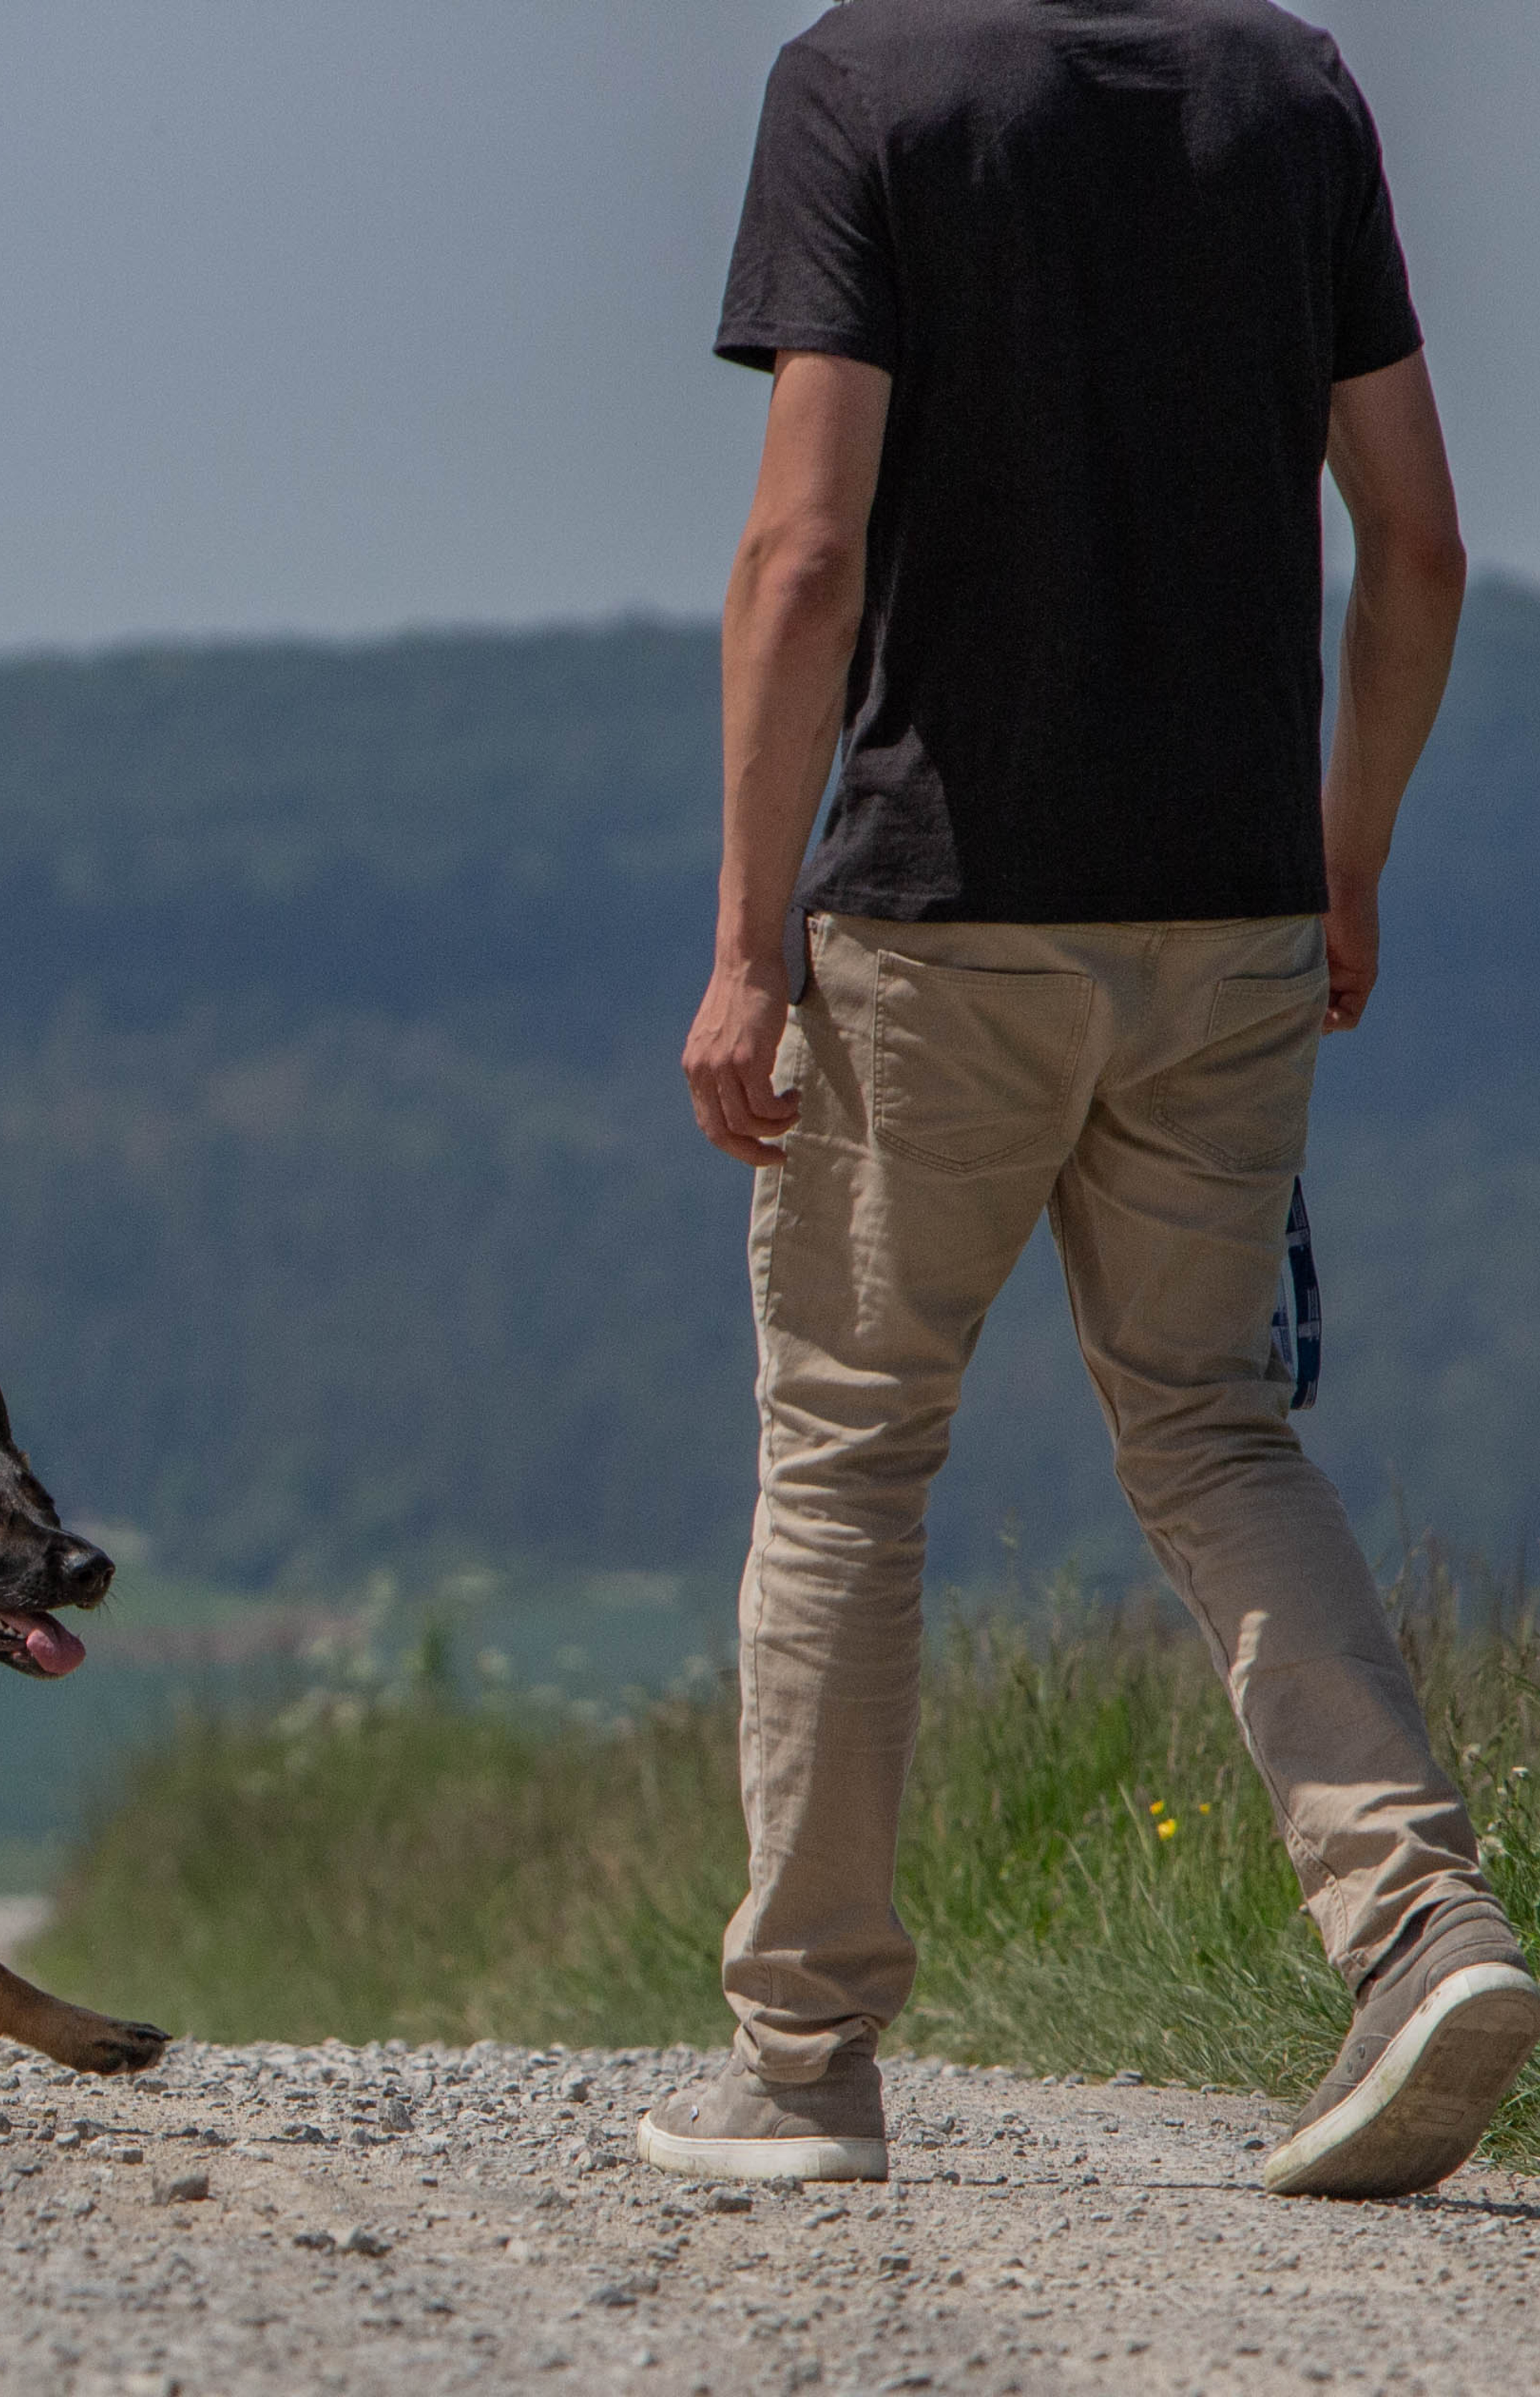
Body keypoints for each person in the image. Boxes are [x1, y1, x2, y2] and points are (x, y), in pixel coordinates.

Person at [650, 0, 1538, 2200]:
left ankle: (805, 2061)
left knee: (853, 1454)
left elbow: (800, 555)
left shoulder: (866, 86)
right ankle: (1421, 1921)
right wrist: (1348, 852)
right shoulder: (1295, 90)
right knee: (1217, 1428)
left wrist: (752, 946)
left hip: (941, 915)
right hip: (1229, 911)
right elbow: (1417, 547)